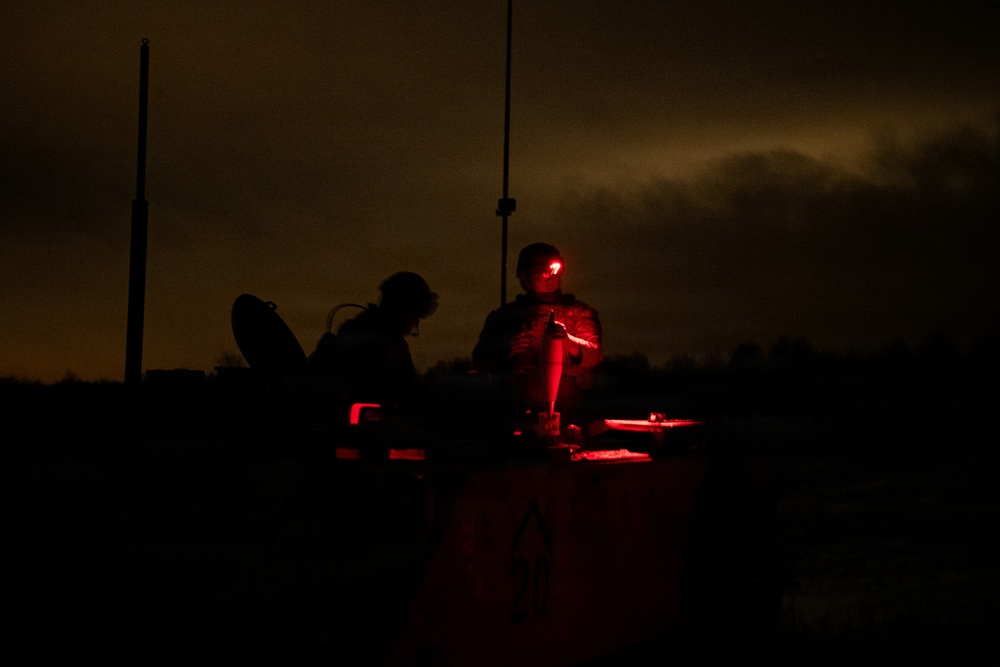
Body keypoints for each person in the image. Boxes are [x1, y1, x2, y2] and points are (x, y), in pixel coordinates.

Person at [472, 243, 603, 419]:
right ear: (524, 278)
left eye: (553, 271)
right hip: (513, 412)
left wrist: (568, 340)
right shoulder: (504, 317)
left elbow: (595, 355)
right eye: (538, 273)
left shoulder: (580, 313)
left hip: (567, 412)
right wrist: (504, 348)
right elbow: (479, 359)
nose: (548, 277)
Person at [310, 271, 438, 404]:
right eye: (414, 316)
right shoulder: (371, 337)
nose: (414, 324)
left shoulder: (393, 342)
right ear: (403, 308)